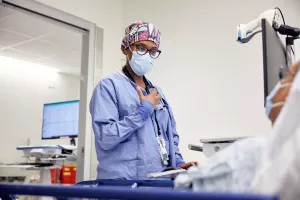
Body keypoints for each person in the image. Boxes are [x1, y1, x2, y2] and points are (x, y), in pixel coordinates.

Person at [175, 62, 300, 198]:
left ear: (294, 95)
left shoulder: (253, 153)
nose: (279, 83)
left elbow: (183, 187)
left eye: (286, 77)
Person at [90, 21, 197, 180]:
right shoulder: (108, 86)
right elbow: (106, 137)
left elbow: (169, 136)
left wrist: (178, 164)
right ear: (125, 48)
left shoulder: (156, 92)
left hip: (156, 183)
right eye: (141, 48)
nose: (147, 55)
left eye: (153, 51)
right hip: (122, 185)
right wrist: (142, 112)